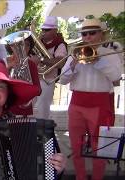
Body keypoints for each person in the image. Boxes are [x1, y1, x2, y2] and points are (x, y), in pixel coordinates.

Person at [59, 18, 122, 180]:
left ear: (101, 34)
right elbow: (62, 80)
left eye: (92, 33)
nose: (87, 37)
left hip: (99, 103)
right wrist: (72, 66)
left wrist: (98, 61)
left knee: (98, 147)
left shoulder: (110, 51)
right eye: (84, 34)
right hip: (76, 103)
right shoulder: (75, 52)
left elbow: (115, 76)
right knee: (76, 145)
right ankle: (80, 176)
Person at [34, 16, 68, 119]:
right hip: (34, 79)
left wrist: (41, 60)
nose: (43, 32)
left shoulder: (60, 45)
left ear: (55, 30)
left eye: (47, 30)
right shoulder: (38, 42)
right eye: (42, 29)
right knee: (31, 110)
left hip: (46, 80)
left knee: (42, 111)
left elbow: (60, 63)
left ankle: (41, 132)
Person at [6, 34, 42, 116]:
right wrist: (8, 68)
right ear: (12, 46)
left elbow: (39, 90)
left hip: (24, 109)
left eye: (27, 45)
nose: (24, 47)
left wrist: (27, 87)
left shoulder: (31, 64)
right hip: (7, 108)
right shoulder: (4, 62)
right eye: (20, 44)